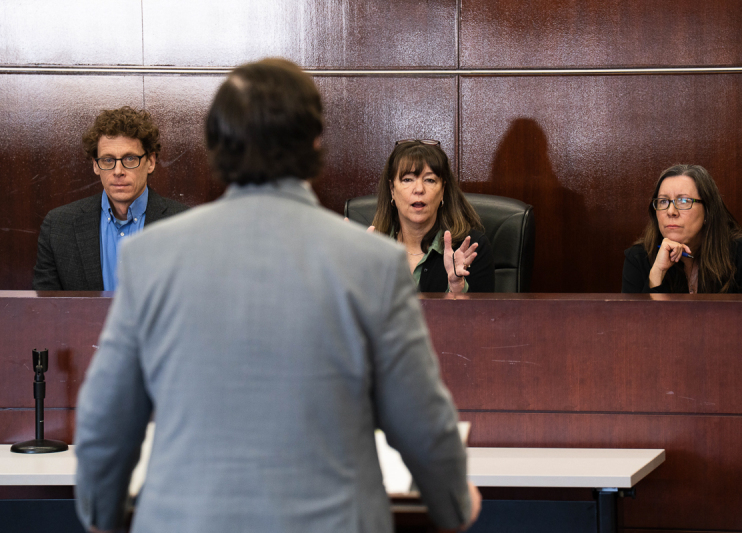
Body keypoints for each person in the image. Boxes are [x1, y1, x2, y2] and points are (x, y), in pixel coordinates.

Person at [74, 59, 480, 533]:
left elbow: (106, 423)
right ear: (314, 144)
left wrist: (101, 514)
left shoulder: (150, 258)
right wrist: (454, 504)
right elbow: (421, 423)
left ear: (216, 145)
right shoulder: (373, 262)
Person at [32, 107, 188, 291]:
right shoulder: (58, 226)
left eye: (130, 158)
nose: (118, 171)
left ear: (151, 162)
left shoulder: (186, 226)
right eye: (107, 160)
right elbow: (47, 311)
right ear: (95, 165)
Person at [622, 164, 742, 293]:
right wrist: (657, 274)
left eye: (683, 201)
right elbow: (633, 326)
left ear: (708, 211)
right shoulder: (639, 257)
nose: (671, 211)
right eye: (663, 201)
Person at [372, 140, 494, 293]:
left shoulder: (471, 248)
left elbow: (482, 316)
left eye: (429, 180)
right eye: (407, 179)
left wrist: (456, 288)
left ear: (443, 189)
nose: (419, 189)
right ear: (392, 189)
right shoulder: (369, 249)